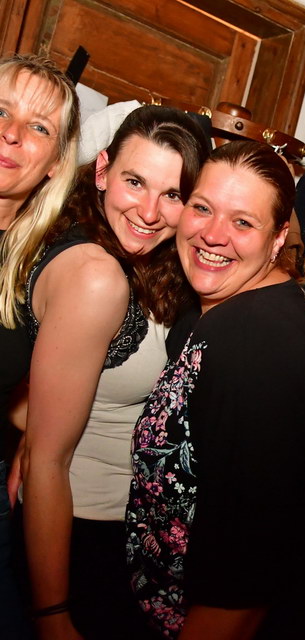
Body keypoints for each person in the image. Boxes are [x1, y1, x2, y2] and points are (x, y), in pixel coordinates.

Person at [126, 140, 305, 640]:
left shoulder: (255, 343)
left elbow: (243, 579)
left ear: (278, 238)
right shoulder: (220, 314)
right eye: (202, 208)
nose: (213, 235)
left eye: (243, 222)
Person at [21, 105, 210, 640]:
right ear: (102, 171)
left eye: (172, 194)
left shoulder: (141, 260)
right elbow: (47, 461)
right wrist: (53, 614)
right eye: (135, 182)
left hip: (122, 531)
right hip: (78, 537)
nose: (149, 211)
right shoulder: (97, 276)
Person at [0, 53, 80, 639]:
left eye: (38, 127)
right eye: (0, 112)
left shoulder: (39, 269)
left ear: (55, 164)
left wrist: (34, 434)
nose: (11, 134)